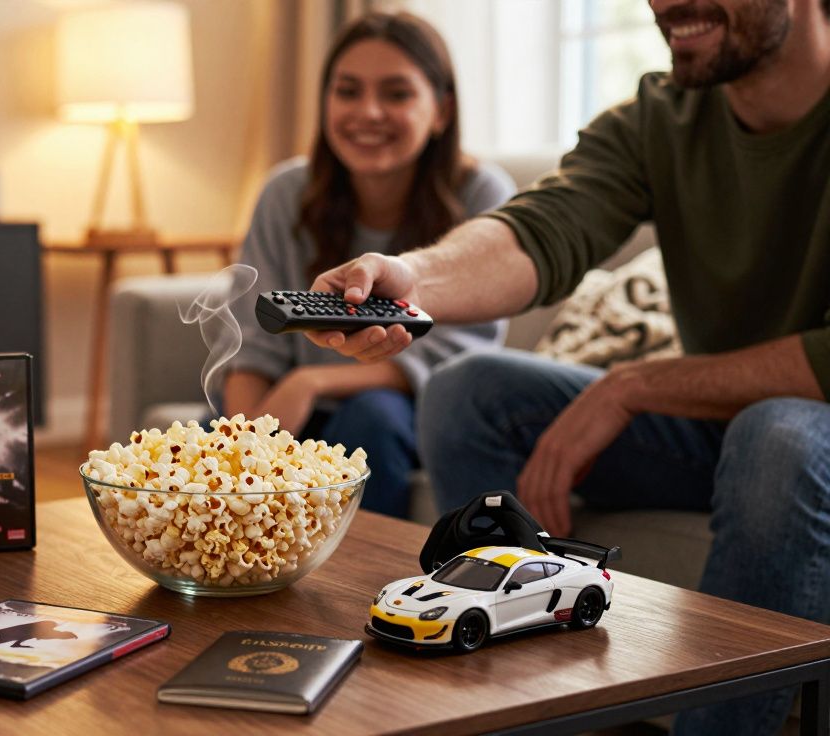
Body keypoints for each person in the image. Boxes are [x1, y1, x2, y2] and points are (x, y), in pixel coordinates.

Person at [307, 0, 829, 732]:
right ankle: (527, 714)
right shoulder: (662, 116)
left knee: (777, 439)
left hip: (799, 439)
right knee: (469, 391)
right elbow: (543, 228)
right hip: (725, 425)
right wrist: (411, 280)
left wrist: (636, 384)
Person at [223, 12, 514, 518]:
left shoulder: (483, 194)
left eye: (397, 94)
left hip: (400, 413)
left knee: (371, 420)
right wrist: (245, 442)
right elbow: (252, 344)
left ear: (441, 110)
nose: (368, 112)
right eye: (348, 91)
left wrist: (310, 383)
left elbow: (453, 357)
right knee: (212, 436)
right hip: (293, 414)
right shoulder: (285, 193)